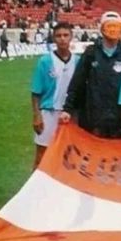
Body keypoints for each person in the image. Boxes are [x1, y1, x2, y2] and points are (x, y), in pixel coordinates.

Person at [61, 11, 121, 138]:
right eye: (109, 27)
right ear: (101, 29)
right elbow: (77, 83)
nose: (113, 31)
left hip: (120, 122)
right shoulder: (91, 53)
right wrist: (67, 109)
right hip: (94, 121)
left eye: (116, 27)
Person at [30, 22, 79, 169]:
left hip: (70, 114)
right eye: (58, 36)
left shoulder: (78, 61)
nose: (62, 39)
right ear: (53, 38)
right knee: (41, 156)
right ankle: (34, 191)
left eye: (66, 35)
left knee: (69, 156)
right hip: (49, 113)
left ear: (71, 37)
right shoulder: (45, 61)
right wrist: (37, 116)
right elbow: (35, 92)